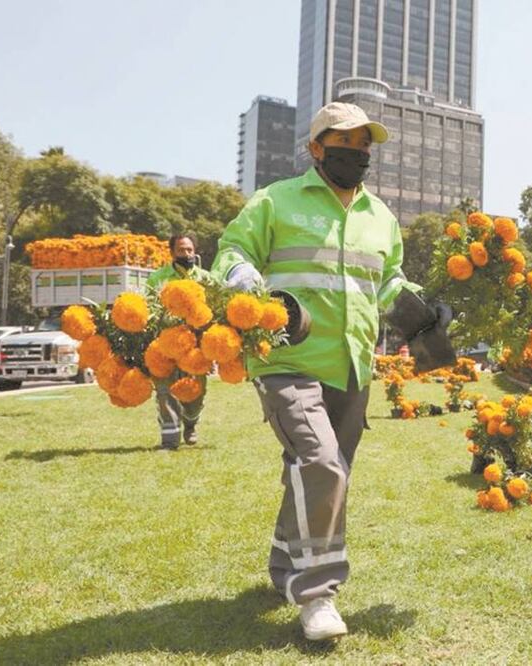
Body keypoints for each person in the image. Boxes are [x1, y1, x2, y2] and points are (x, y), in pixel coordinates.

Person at [211, 101, 447, 641]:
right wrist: (247, 279)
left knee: (323, 473)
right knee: (321, 464)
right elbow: (232, 251)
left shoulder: (381, 217)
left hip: (352, 366)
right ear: (316, 148)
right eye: (345, 142)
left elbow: (388, 282)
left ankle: (282, 562)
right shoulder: (275, 201)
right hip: (287, 360)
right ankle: (318, 595)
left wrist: (422, 310)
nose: (358, 152)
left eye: (365, 144)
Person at [147, 233, 211, 449]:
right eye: (182, 250)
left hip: (196, 347)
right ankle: (170, 439)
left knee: (196, 394)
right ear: (172, 252)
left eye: (190, 250)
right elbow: (149, 308)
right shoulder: (158, 278)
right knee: (165, 391)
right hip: (166, 345)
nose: (186, 254)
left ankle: (191, 423)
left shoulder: (205, 279)